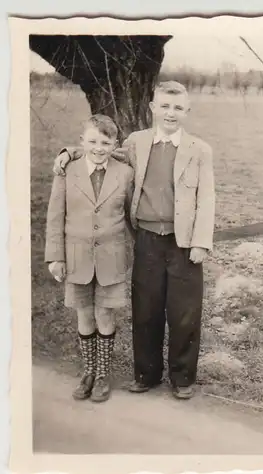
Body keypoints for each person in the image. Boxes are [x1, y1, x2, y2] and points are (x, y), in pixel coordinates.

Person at [53, 81, 215, 400]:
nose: (171, 113)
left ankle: (182, 378)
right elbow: (101, 152)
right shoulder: (137, 142)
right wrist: (68, 152)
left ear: (187, 111)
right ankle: (146, 374)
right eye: (165, 106)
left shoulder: (200, 150)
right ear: (153, 108)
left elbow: (207, 198)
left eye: (178, 108)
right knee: (146, 308)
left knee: (184, 312)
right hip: (147, 239)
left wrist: (200, 242)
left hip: (183, 243)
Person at [45, 114, 135, 403]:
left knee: (105, 315)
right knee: (84, 314)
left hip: (112, 257)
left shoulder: (125, 173)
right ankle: (88, 372)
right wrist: (55, 257)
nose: (99, 148)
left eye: (106, 142)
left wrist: (134, 252)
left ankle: (103, 375)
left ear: (115, 144)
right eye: (93, 141)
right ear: (81, 141)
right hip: (76, 257)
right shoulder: (67, 170)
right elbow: (55, 216)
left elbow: (132, 216)